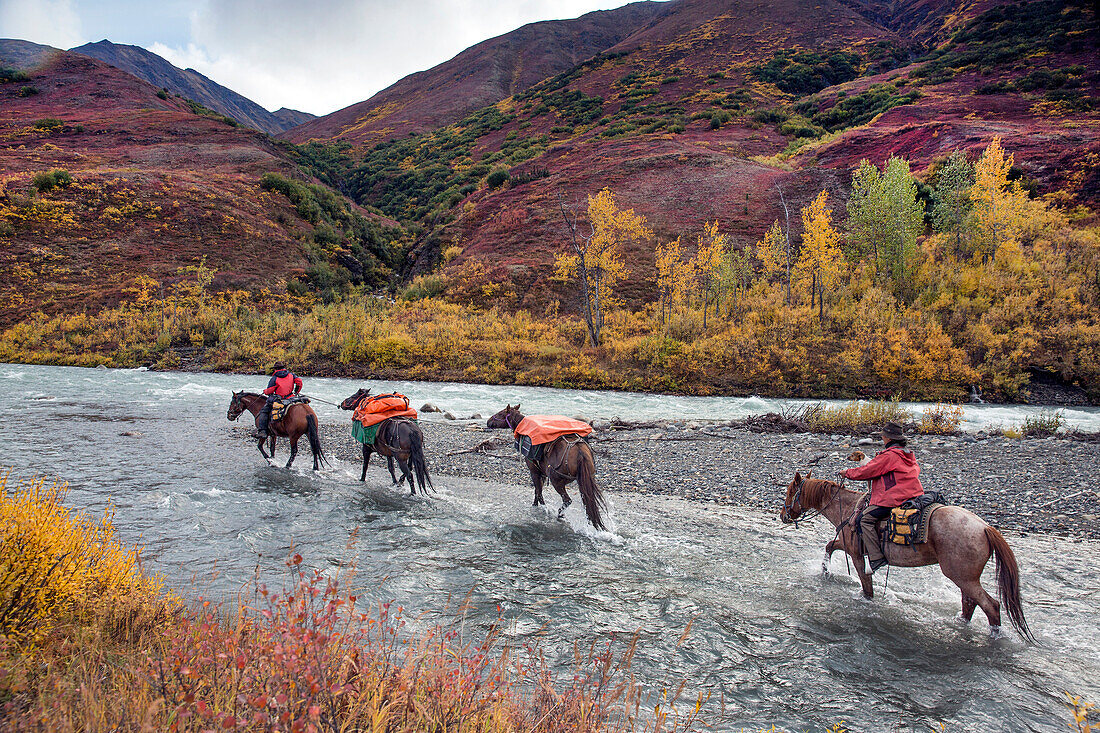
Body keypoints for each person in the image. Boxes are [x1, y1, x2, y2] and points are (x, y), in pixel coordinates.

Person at [839, 421, 924, 575]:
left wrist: (848, 473)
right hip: (914, 495)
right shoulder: (907, 453)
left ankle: (876, 557)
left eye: (883, 436)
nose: (883, 438)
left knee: (864, 519)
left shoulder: (890, 456)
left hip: (895, 498)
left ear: (888, 438)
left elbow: (867, 471)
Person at [252, 360, 303, 439]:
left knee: (263, 411)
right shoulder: (291, 375)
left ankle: (263, 431)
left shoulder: (275, 378)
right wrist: (296, 391)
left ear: (276, 369)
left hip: (279, 399)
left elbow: (270, 390)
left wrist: (265, 391)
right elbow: (299, 382)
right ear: (283, 368)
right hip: (291, 397)